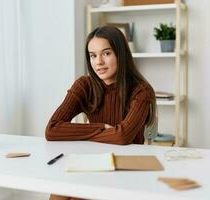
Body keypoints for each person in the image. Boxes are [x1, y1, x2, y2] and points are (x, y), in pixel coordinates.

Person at [45, 25, 156, 200]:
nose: (98, 62)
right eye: (93, 55)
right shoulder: (84, 85)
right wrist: (103, 128)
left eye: (106, 53)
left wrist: (83, 132)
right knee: (60, 189)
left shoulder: (140, 91)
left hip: (127, 168)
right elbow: (52, 129)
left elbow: (123, 136)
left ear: (121, 54)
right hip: (92, 162)